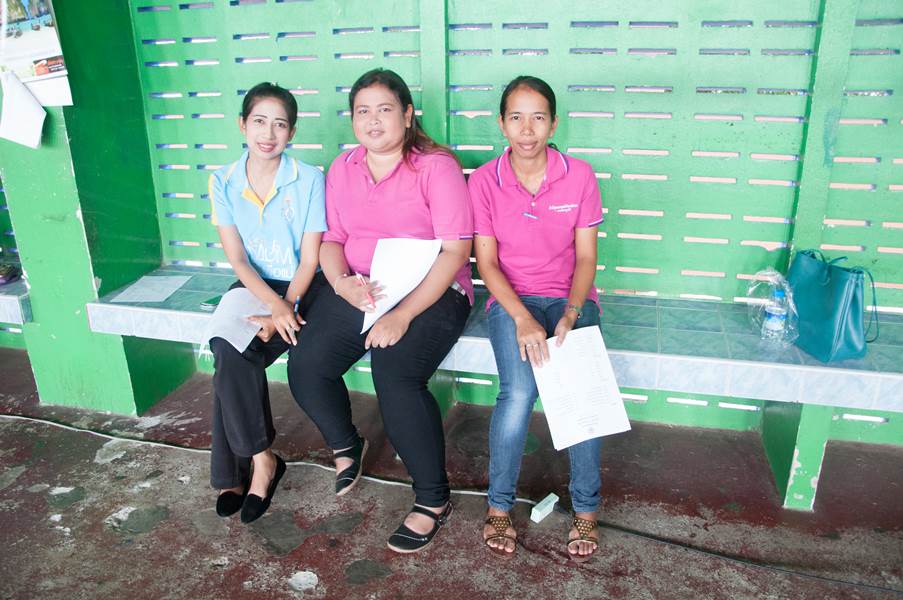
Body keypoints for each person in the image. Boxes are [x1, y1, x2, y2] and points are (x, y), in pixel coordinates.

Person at [291, 68, 473, 553]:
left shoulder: (435, 167)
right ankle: (347, 443)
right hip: (366, 285)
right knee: (307, 363)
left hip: (431, 290)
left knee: (394, 372)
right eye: (363, 111)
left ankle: (433, 499)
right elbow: (333, 240)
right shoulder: (342, 167)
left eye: (385, 109)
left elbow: (455, 252)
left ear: (408, 115)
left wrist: (402, 315)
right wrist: (341, 284)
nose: (373, 120)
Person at [469, 76, 604, 561]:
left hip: (570, 298)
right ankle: (499, 505)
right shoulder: (484, 181)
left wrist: (571, 313)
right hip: (510, 299)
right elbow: (487, 264)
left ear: (554, 123)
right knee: (519, 391)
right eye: (516, 117)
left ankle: (586, 508)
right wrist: (523, 318)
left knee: (580, 389)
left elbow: (585, 258)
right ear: (501, 123)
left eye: (538, 117)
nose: (527, 129)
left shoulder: (579, 176)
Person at [207, 82, 326, 523]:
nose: (268, 133)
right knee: (226, 344)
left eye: (279, 124)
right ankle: (262, 459)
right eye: (259, 121)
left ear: (292, 132)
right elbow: (238, 259)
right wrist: (272, 305)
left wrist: (286, 304)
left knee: (240, 356)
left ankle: (232, 473)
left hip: (301, 286)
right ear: (243, 124)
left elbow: (310, 259)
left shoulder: (309, 179)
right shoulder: (223, 180)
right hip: (253, 286)